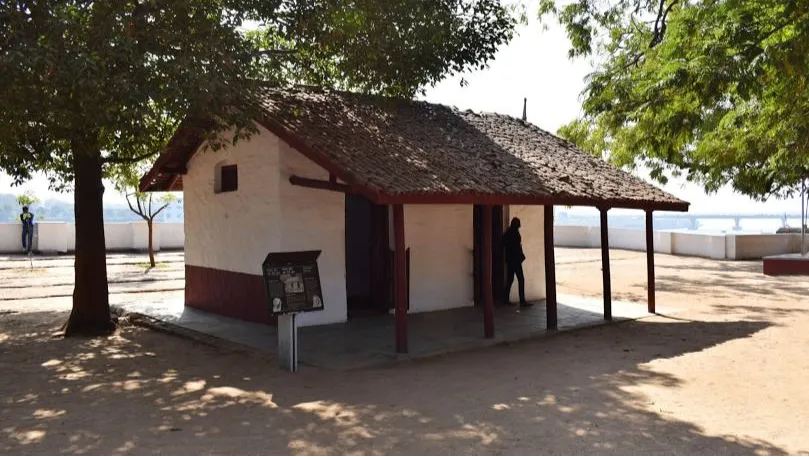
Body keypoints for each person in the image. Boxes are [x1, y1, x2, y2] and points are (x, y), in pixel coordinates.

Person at [503, 217, 531, 307]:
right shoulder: (513, 233)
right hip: (515, 260)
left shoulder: (508, 232)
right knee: (521, 279)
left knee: (510, 279)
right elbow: (515, 247)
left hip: (511, 259)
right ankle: (522, 301)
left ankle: (505, 299)